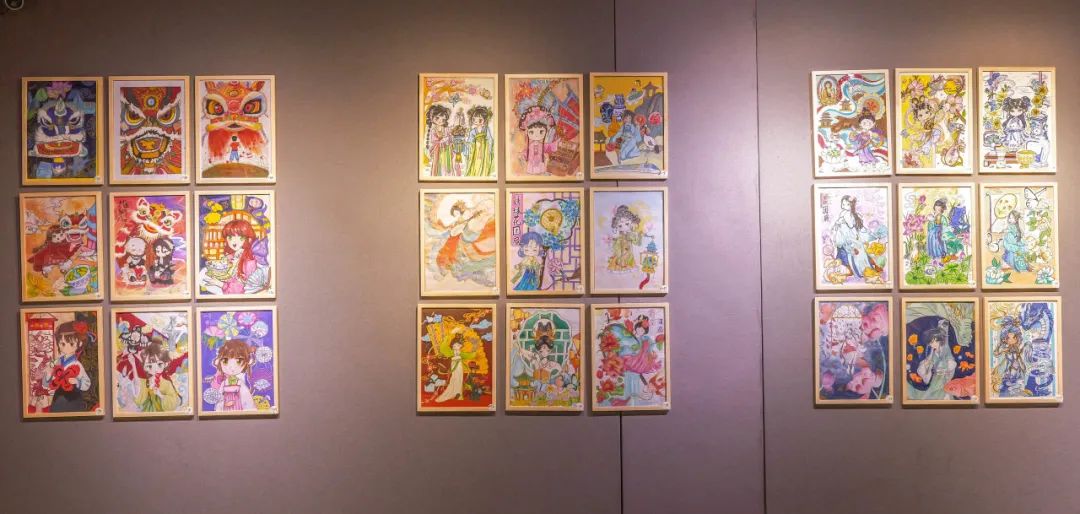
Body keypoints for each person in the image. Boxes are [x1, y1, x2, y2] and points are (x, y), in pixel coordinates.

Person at [42, 321, 92, 412]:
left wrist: (77, 381)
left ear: (80, 343)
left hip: (73, 399)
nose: (66, 347)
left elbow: (87, 383)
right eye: (62, 344)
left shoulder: (77, 365)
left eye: (71, 344)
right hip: (58, 397)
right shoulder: (56, 362)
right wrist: (48, 374)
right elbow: (46, 384)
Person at [913, 321, 957, 399]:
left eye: (933, 342)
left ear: (939, 340)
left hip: (944, 379)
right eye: (930, 343)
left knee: (944, 396)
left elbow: (951, 363)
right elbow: (926, 365)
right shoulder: (932, 353)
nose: (931, 344)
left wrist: (945, 369)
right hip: (935, 379)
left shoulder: (946, 351)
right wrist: (927, 363)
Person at [210, 339, 255, 411]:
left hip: (239, 410)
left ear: (248, 362)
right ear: (218, 361)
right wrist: (223, 405)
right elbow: (219, 399)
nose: (231, 367)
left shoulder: (240, 383)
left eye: (239, 361)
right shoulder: (224, 383)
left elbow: (247, 400)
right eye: (225, 361)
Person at [519, 106, 558, 175]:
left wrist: (556, 143)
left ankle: (541, 172)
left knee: (541, 170)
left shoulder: (542, 145)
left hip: (540, 163)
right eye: (531, 132)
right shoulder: (530, 145)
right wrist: (522, 155)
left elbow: (550, 147)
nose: (536, 135)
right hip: (531, 163)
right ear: (527, 132)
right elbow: (526, 152)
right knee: (531, 170)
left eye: (541, 132)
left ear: (546, 132)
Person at [607, 205, 642, 272]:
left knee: (628, 257)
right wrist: (615, 239)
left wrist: (639, 235)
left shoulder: (630, 234)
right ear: (616, 226)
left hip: (628, 252)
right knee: (620, 257)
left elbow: (637, 243)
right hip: (620, 250)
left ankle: (628, 266)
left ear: (631, 223)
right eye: (620, 225)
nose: (624, 227)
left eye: (627, 224)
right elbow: (615, 244)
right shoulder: (619, 236)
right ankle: (620, 267)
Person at [434, 334, 466, 402]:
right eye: (455, 346)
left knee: (459, 378)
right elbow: (444, 350)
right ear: (453, 346)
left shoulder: (459, 351)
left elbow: (467, 354)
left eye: (459, 345)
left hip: (459, 365)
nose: (458, 347)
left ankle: (458, 393)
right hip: (454, 364)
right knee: (455, 378)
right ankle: (454, 393)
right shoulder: (452, 351)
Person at [465, 106, 494, 177]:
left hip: (484, 149)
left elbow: (490, 139)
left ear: (484, 120)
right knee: (476, 162)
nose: (476, 121)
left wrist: (490, 149)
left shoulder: (486, 129)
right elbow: (469, 141)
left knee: (484, 162)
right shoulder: (473, 131)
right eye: (474, 119)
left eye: (480, 120)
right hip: (476, 150)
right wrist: (469, 150)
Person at [425, 105, 453, 176]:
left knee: (446, 164)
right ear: (432, 118)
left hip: (446, 150)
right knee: (439, 164)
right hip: (438, 151)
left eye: (443, 119)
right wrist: (443, 140)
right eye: (437, 118)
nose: (440, 121)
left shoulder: (446, 129)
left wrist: (448, 139)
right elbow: (434, 141)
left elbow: (450, 139)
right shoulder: (433, 130)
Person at [926, 198, 948, 264]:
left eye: (939, 210)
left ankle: (940, 258)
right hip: (932, 234)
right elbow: (929, 227)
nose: (937, 211)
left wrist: (942, 231)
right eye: (936, 210)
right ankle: (933, 258)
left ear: (942, 210)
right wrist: (931, 220)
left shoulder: (942, 217)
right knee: (932, 245)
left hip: (939, 234)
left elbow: (945, 226)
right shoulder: (932, 216)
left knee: (939, 245)